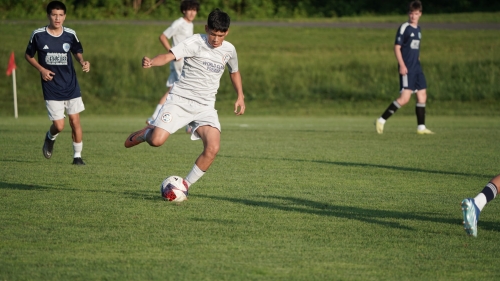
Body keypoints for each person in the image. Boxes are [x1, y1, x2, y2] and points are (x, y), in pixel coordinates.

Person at [125, 8, 246, 200]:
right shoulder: (194, 42)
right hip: (180, 101)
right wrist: (152, 62)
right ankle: (147, 133)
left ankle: (184, 186)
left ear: (227, 32)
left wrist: (240, 95)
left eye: (220, 35)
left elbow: (234, 71)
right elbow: (169, 56)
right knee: (156, 141)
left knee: (213, 148)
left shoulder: (229, 50)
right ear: (206, 28)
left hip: (205, 107)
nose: (216, 39)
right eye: (213, 34)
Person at [25, 0, 90, 165]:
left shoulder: (70, 34)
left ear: (65, 16)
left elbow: (77, 51)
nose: (57, 18)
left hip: (71, 84)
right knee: (59, 126)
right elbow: (28, 55)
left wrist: (82, 61)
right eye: (54, 14)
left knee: (75, 121)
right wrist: (41, 69)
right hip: (52, 86)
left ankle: (77, 157)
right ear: (48, 16)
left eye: (61, 15)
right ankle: (50, 137)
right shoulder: (38, 35)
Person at [375, 0, 434, 135]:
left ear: (420, 14)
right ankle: (381, 120)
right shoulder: (404, 28)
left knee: (422, 95)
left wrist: (418, 61)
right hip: (407, 68)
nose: (413, 16)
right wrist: (402, 65)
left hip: (417, 68)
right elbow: (397, 47)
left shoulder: (419, 30)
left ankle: (421, 127)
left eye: (416, 13)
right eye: (411, 13)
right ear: (408, 14)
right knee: (405, 99)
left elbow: (415, 49)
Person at [146, 0, 200, 135]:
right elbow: (163, 36)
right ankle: (189, 124)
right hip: (179, 62)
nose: (192, 12)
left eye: (194, 10)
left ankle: (153, 118)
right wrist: (173, 52)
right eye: (189, 9)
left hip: (183, 62)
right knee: (188, 88)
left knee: (172, 90)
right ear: (184, 11)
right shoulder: (179, 23)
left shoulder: (190, 24)